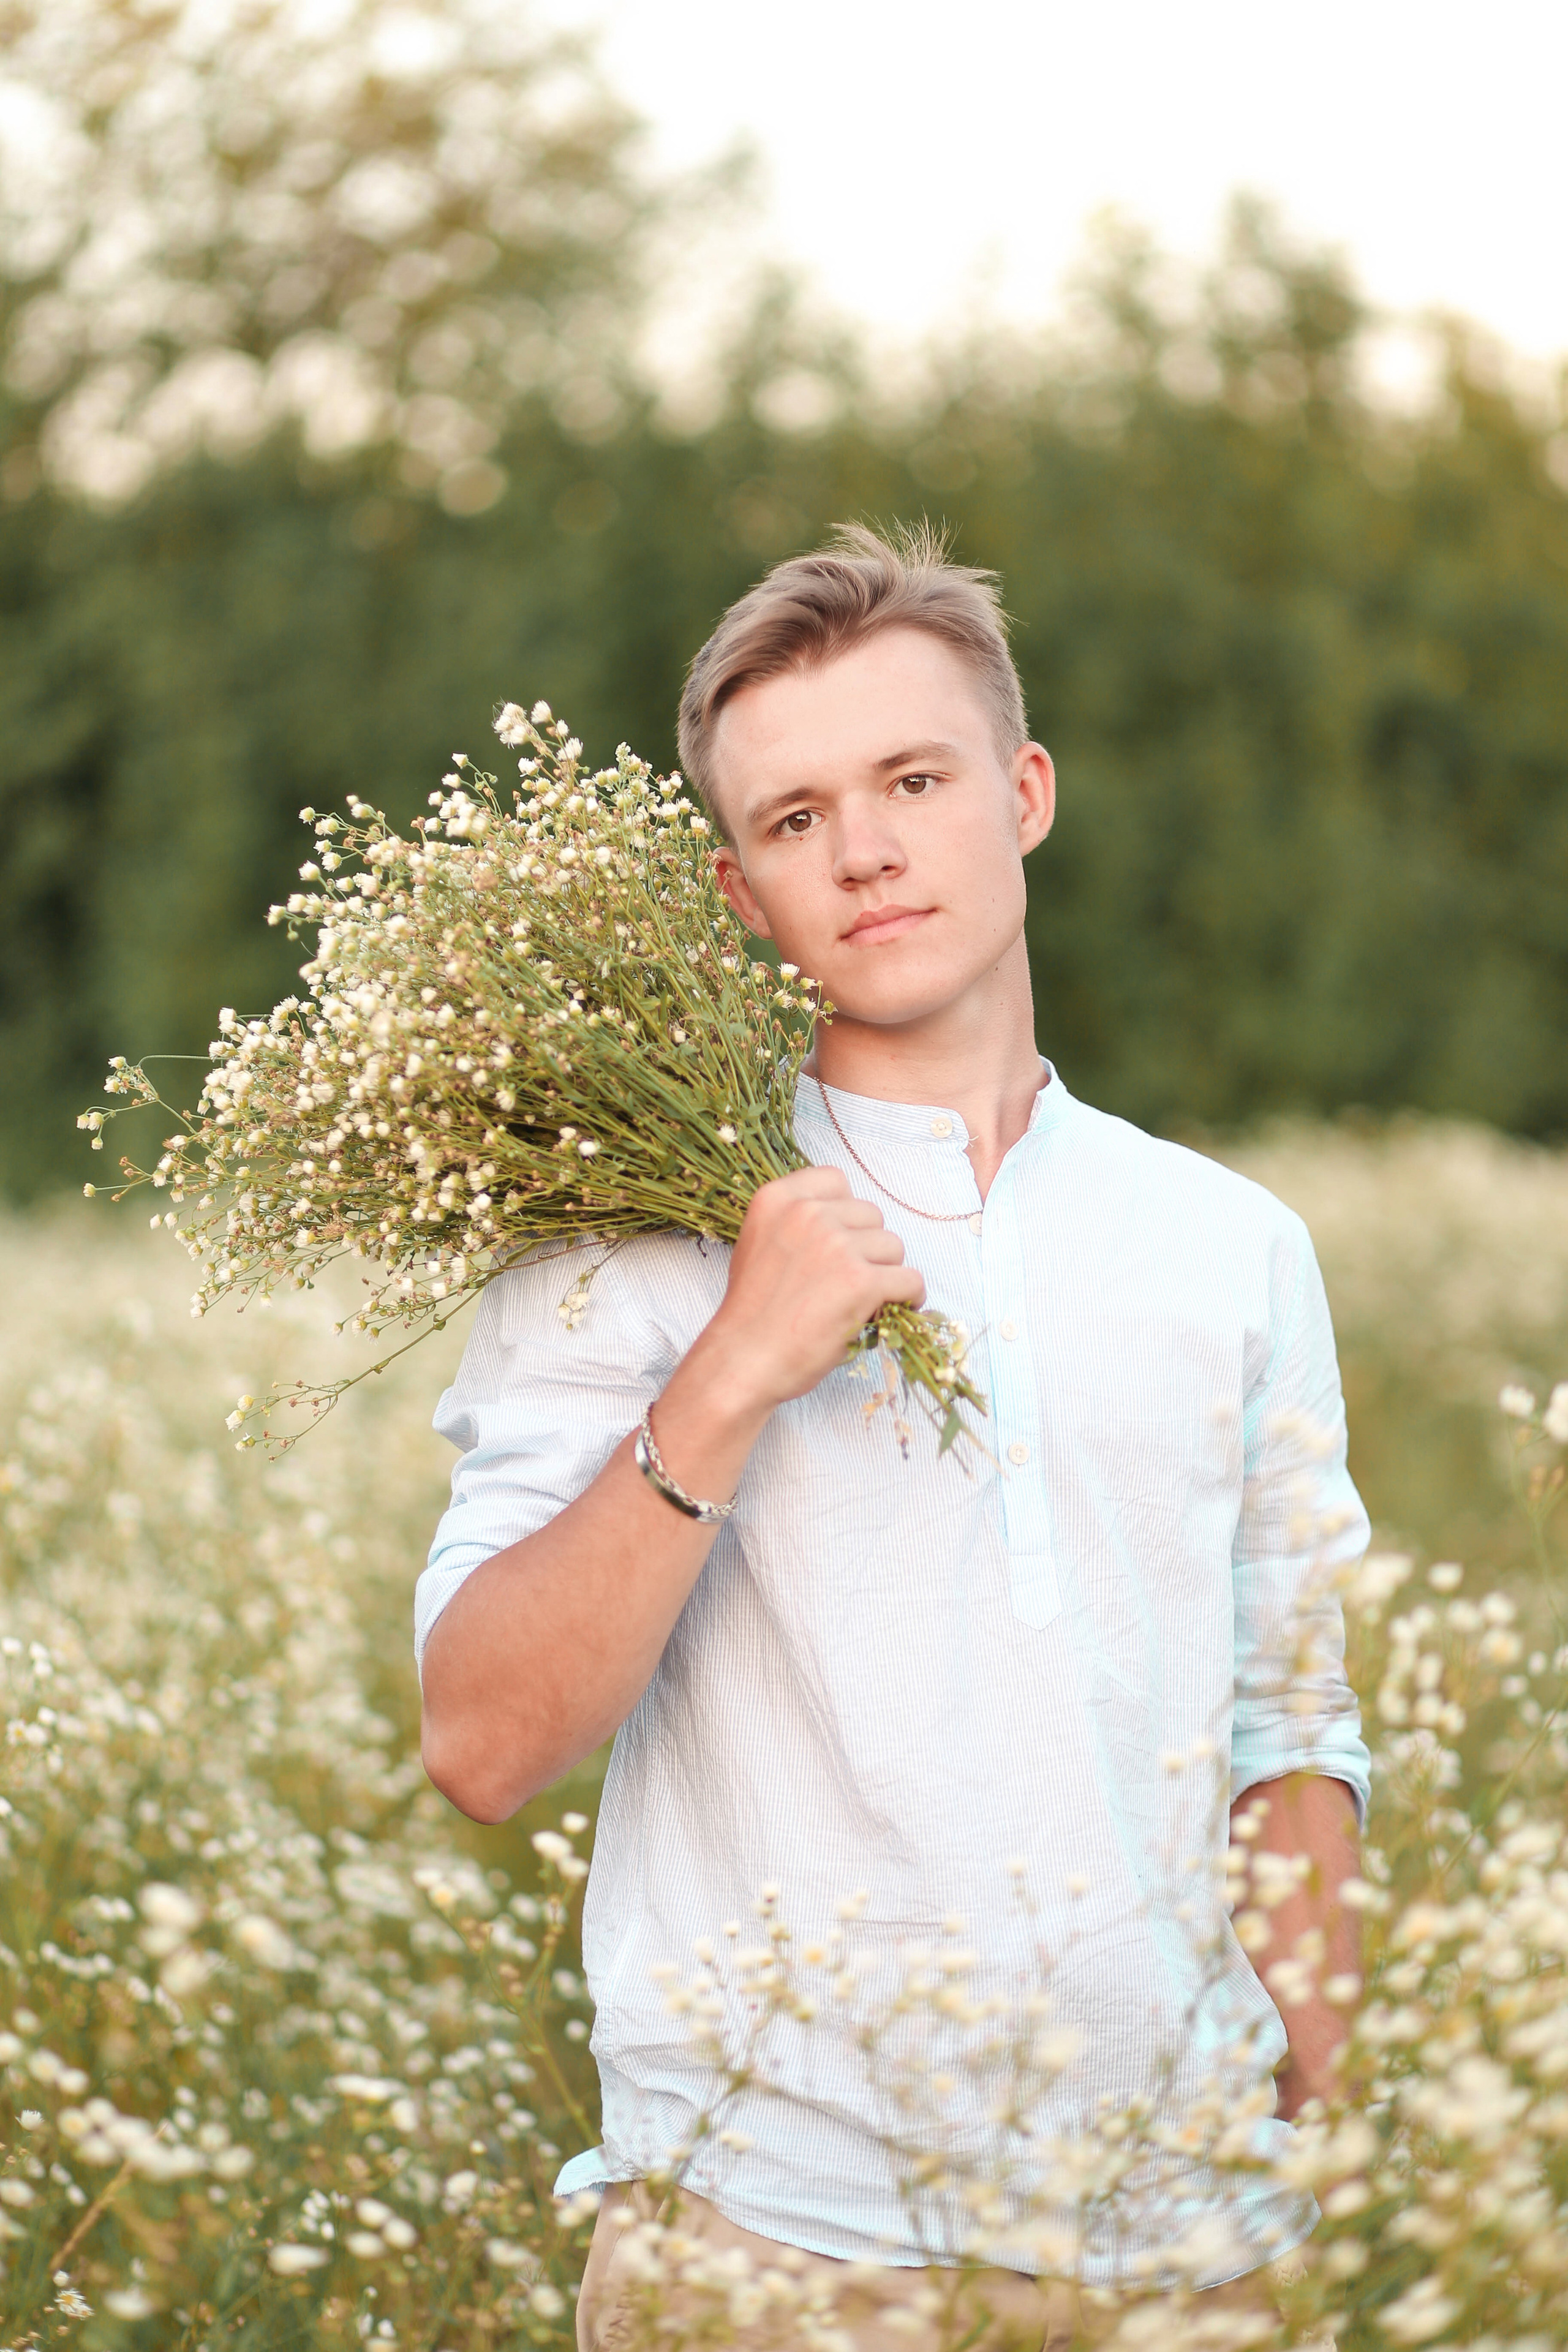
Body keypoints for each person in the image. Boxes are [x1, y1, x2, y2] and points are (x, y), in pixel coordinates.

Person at [415, 524, 1370, 2350]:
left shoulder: (1233, 1245)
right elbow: (481, 1740)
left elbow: (1287, 1728)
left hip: (1197, 2248)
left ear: (1023, 793)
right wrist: (734, 1370)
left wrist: (1336, 2177)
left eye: (913, 779)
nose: (862, 847)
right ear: (738, 894)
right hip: (770, 2253)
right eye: (794, 820)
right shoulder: (638, 1236)